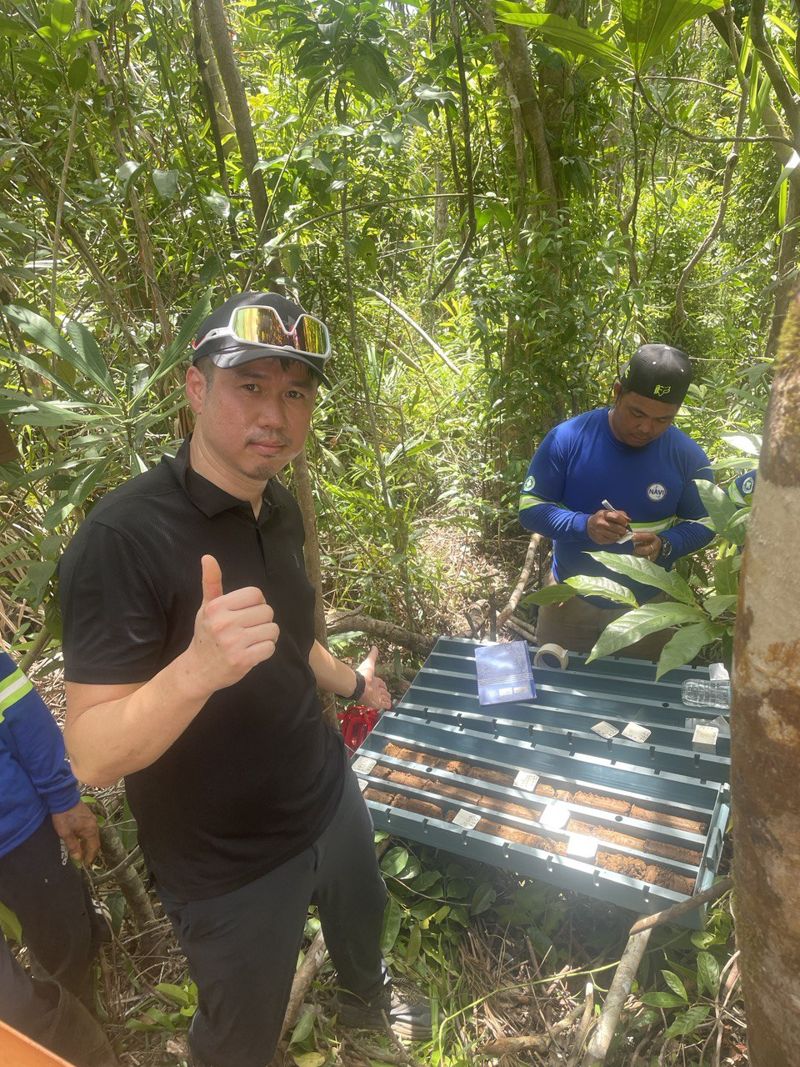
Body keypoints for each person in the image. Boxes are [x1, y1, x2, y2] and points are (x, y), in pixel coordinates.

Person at [58, 291, 431, 1067]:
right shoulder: (121, 539)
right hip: (226, 860)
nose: (277, 414)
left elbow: (295, 639)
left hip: (325, 789)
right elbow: (90, 753)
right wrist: (193, 671)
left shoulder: (279, 508)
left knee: (362, 918)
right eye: (250, 386)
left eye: (296, 391)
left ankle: (366, 998)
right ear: (196, 389)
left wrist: (352, 687)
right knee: (241, 1037)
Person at [518, 344, 715, 657]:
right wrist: (583, 526)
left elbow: (706, 522)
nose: (646, 428)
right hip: (569, 599)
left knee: (637, 696)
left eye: (663, 419)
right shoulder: (569, 438)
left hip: (647, 609)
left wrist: (666, 545)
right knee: (557, 689)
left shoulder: (687, 456)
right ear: (617, 391)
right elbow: (530, 508)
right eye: (637, 413)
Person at [0, 650, 117, 1066]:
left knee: (66, 941)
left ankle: (86, 1032)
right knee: (10, 1004)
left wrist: (63, 798)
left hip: (20, 833)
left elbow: (22, 716)